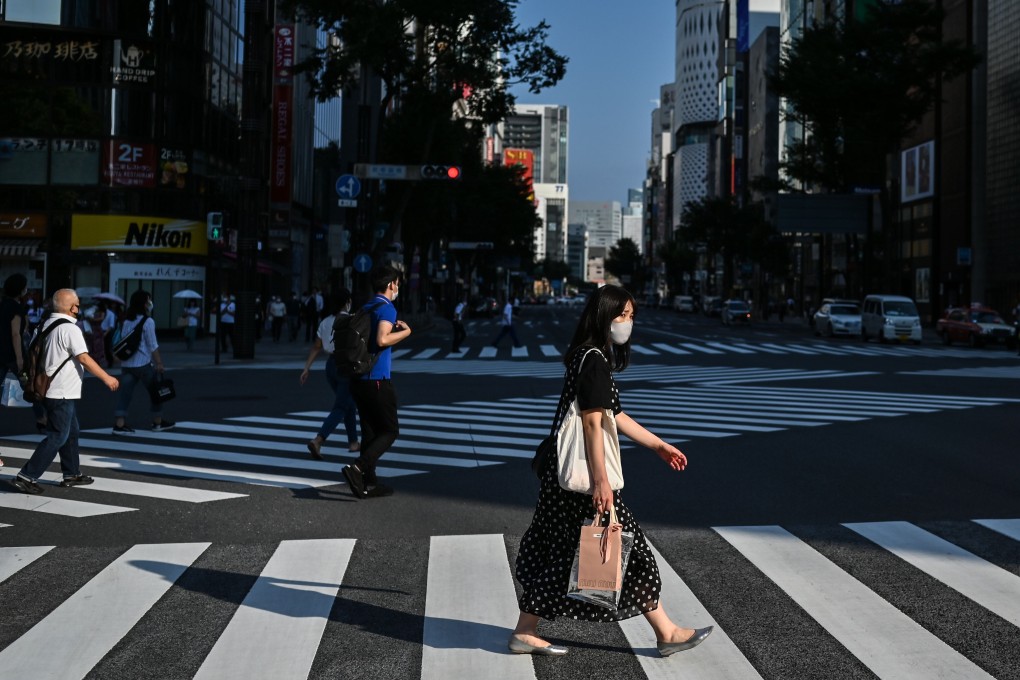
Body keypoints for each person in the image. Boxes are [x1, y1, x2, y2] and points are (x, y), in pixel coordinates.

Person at [510, 284, 713, 658]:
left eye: (631, 316)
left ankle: (526, 630)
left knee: (570, 550)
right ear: (603, 316)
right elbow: (591, 423)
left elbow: (613, 414)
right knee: (623, 550)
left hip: (570, 480)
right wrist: (602, 482)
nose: (627, 323)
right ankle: (666, 631)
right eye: (622, 315)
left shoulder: (589, 356)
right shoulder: (592, 360)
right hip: (586, 480)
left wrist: (658, 446)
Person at [8, 289, 120, 494]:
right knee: (58, 435)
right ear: (72, 307)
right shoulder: (70, 329)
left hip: (47, 388)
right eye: (77, 304)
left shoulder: (44, 324)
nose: (79, 308)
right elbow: (83, 358)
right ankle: (27, 476)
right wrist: (107, 377)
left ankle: (71, 473)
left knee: (71, 432)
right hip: (61, 391)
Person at [343, 265, 411, 499]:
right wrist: (406, 332)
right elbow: (382, 339)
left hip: (358, 379)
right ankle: (358, 468)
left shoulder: (368, 306)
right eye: (398, 283)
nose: (398, 287)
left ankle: (367, 482)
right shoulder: (387, 308)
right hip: (377, 380)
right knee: (390, 430)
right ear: (392, 284)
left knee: (370, 432)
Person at [300, 289, 360, 459]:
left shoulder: (325, 322)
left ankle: (353, 442)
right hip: (345, 366)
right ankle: (318, 440)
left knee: (348, 403)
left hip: (330, 366)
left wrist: (306, 368)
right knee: (341, 406)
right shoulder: (350, 320)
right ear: (347, 301)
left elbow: (317, 347)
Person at [112, 290, 175, 434]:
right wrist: (159, 363)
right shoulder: (148, 321)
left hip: (127, 364)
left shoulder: (126, 321)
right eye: (148, 300)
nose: (150, 303)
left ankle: (119, 424)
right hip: (143, 364)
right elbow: (153, 345)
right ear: (144, 303)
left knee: (125, 395)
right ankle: (158, 423)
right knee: (155, 393)